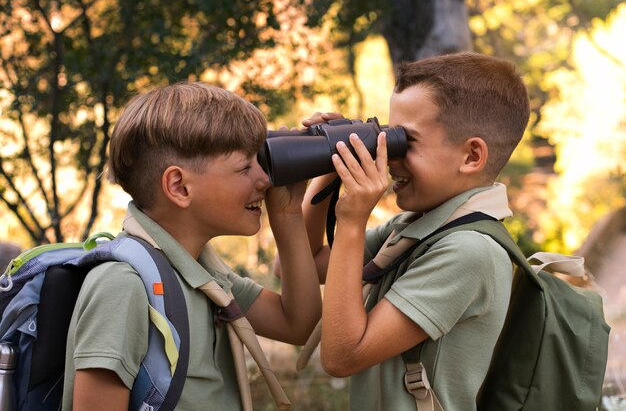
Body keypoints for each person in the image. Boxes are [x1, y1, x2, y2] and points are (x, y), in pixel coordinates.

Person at [62, 82, 322, 411]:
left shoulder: (203, 274)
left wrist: (287, 213)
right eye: (245, 167)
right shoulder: (123, 286)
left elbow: (297, 323)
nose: (265, 180)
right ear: (179, 186)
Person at [300, 52, 530, 411]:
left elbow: (342, 356)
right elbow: (304, 264)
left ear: (471, 156)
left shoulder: (470, 251)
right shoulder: (416, 228)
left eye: (405, 141)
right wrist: (329, 162)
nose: (389, 157)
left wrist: (351, 221)